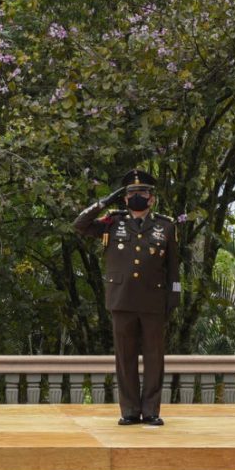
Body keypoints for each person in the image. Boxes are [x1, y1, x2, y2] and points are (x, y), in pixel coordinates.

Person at [74, 169, 180, 426]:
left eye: (142, 193)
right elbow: (80, 225)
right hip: (121, 300)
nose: (137, 197)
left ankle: (151, 410)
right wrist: (107, 201)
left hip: (153, 301)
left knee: (155, 358)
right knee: (125, 357)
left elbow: (174, 268)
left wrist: (173, 298)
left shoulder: (165, 226)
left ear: (151, 198)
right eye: (131, 193)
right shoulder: (113, 222)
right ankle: (130, 410)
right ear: (124, 198)